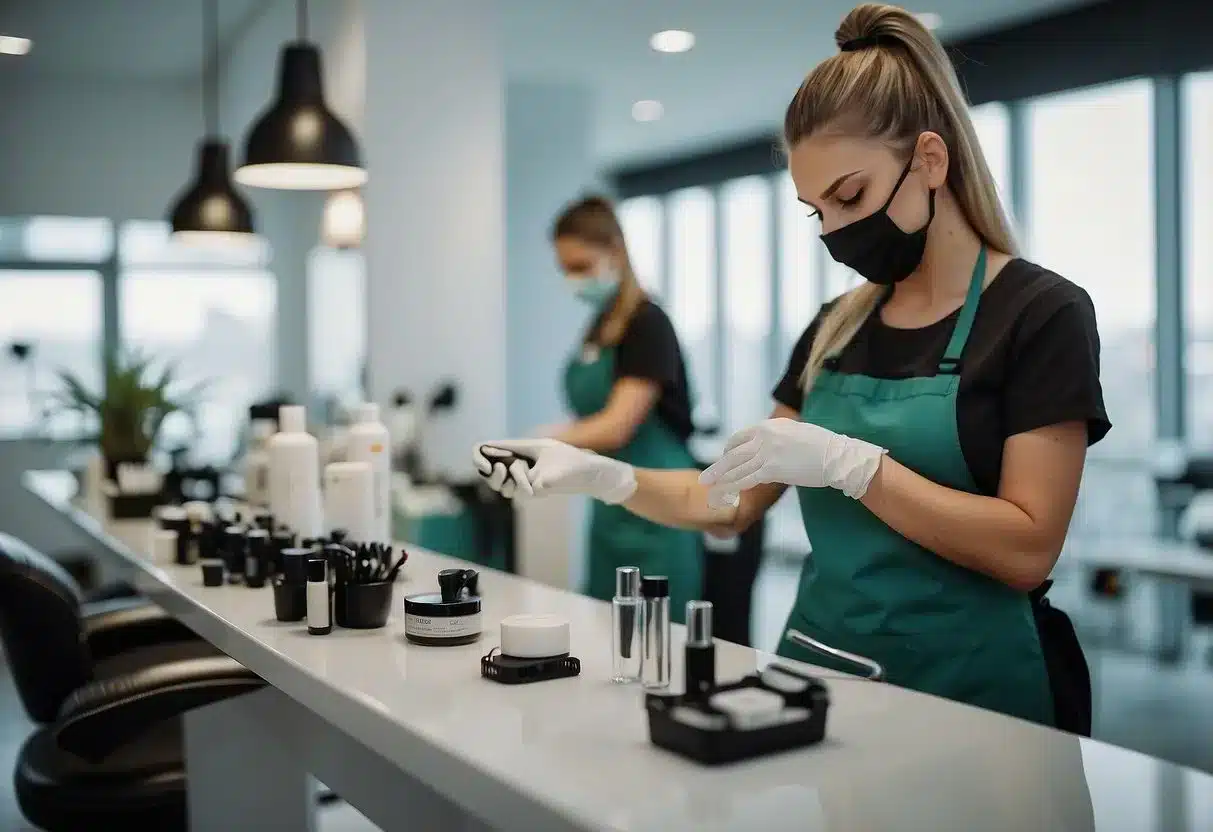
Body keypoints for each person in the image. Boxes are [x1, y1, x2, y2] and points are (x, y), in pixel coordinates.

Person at [475, 3, 1110, 729]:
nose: (837, 233)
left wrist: (856, 467)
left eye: (850, 197)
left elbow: (1027, 547)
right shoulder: (833, 330)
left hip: (971, 693)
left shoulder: (1039, 314)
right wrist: (601, 475)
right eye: (816, 212)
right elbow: (731, 501)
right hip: (822, 674)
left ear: (929, 161)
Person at [498, 195, 704, 620]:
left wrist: (542, 439)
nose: (572, 280)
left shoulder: (648, 324)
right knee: (605, 629)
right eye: (564, 270)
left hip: (660, 502)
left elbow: (616, 425)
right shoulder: (600, 327)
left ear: (615, 252)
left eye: (580, 267)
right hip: (610, 505)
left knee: (659, 633)